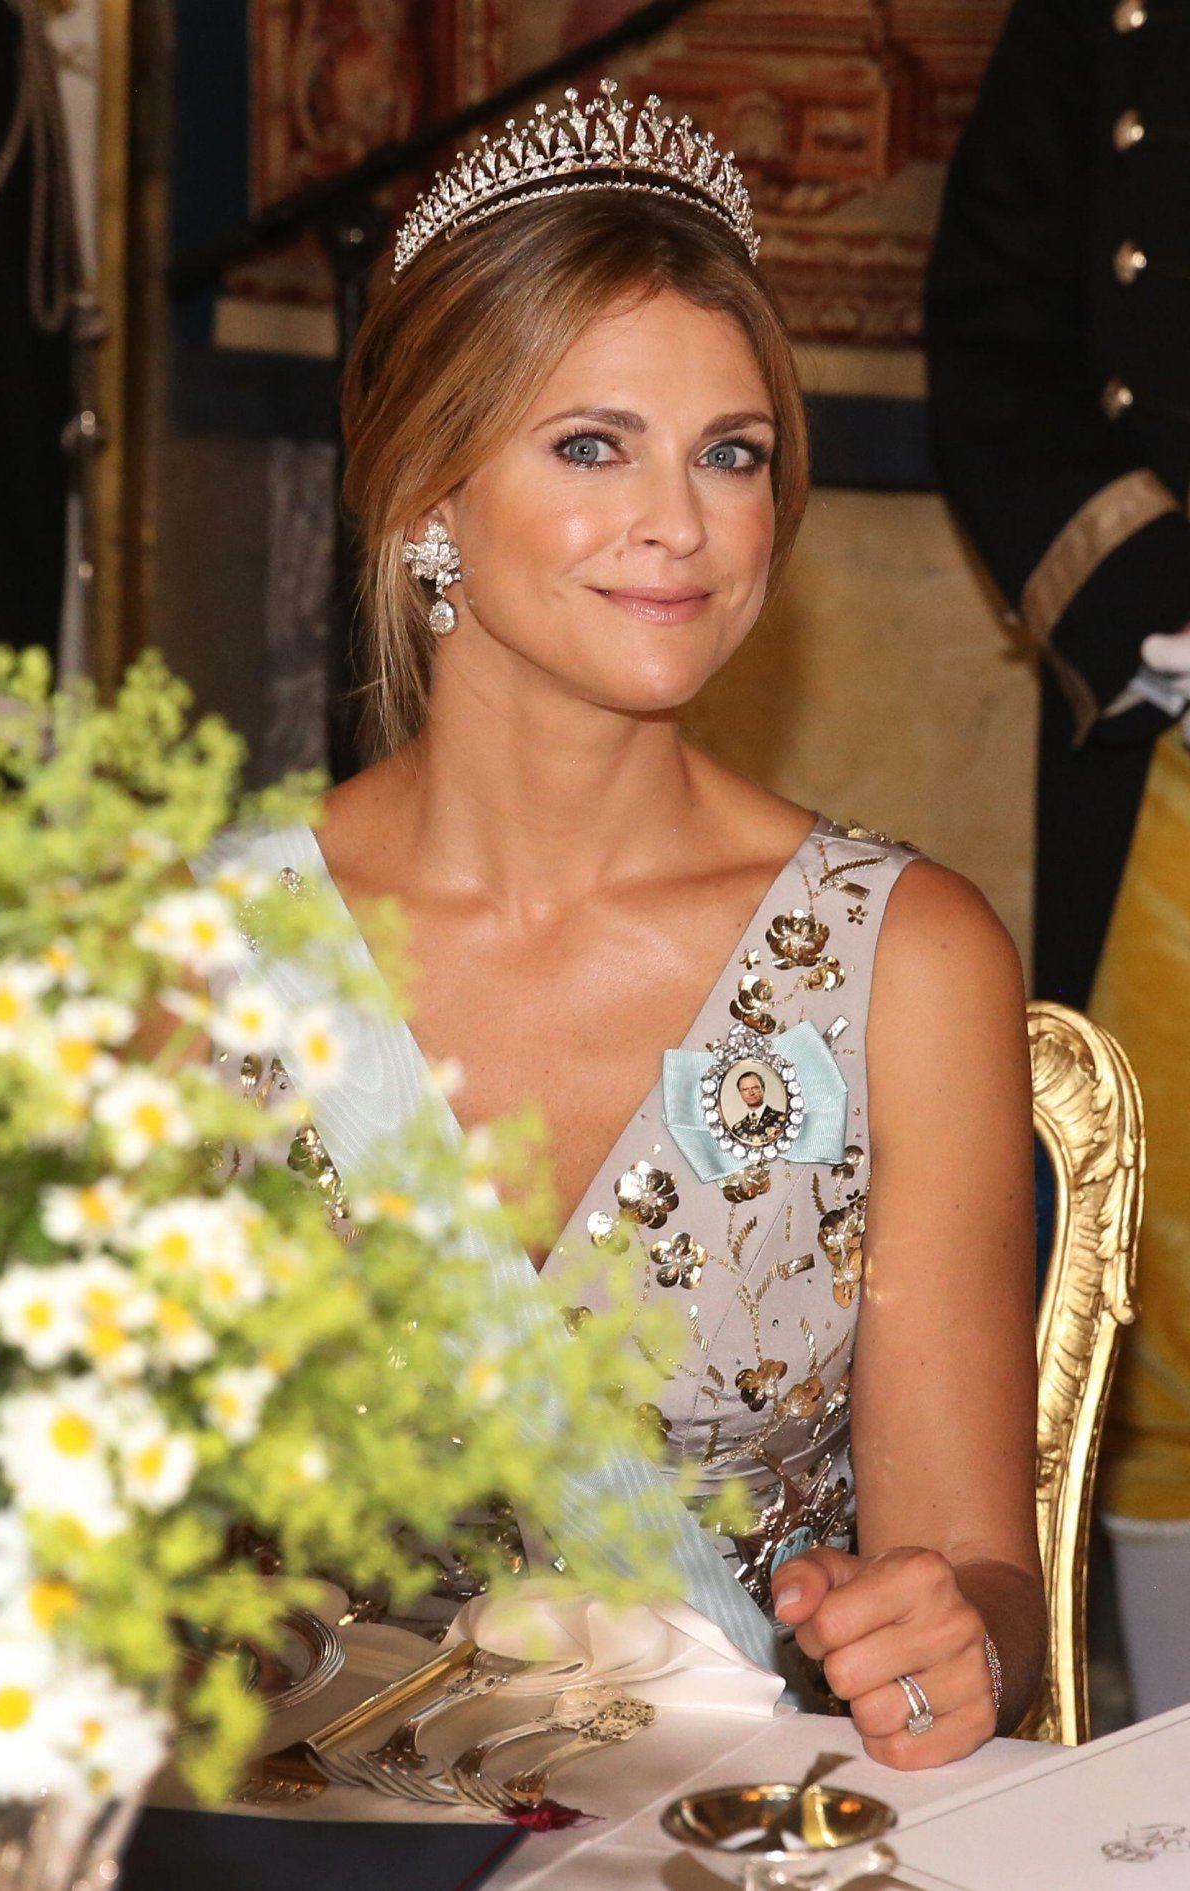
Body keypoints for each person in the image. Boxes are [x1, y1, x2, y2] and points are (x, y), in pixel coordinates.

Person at [233, 83, 1044, 1766]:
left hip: (725, 1845)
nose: (682, 522)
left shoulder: (906, 962)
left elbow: (984, 1582)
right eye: (592, 444)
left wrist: (955, 1639)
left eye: (730, 454)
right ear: (427, 500)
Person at [925, 0, 1190, 1718]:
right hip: (1179, 745)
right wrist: (1165, 623)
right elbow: (999, 325)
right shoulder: (1112, 10)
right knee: (1157, 1332)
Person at [732, 1070, 787, 1146]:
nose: (751, 1093)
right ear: (740, 1093)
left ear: (763, 1089)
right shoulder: (737, 1129)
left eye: (755, 1088)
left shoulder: (782, 1119)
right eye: (745, 1089)